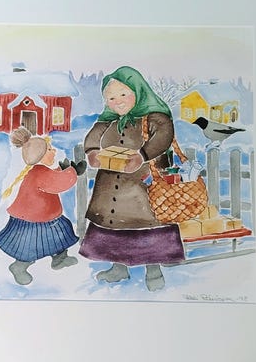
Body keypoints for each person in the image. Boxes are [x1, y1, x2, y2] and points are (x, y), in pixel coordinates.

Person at [79, 66, 185, 291]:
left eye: (123, 94)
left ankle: (153, 269)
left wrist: (142, 156)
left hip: (143, 184)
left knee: (148, 225)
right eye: (111, 98)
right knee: (114, 226)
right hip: (111, 184)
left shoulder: (155, 117)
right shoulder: (108, 120)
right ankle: (118, 268)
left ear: (138, 91)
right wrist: (92, 151)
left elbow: (164, 136)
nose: (117, 101)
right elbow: (93, 136)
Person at [0, 127, 85, 285]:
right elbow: (58, 183)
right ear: (40, 156)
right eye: (49, 149)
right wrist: (72, 172)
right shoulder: (40, 173)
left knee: (60, 234)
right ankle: (19, 266)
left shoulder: (40, 171)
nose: (54, 151)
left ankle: (60, 258)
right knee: (29, 245)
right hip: (32, 222)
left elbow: (53, 177)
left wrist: (62, 170)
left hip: (47, 218)